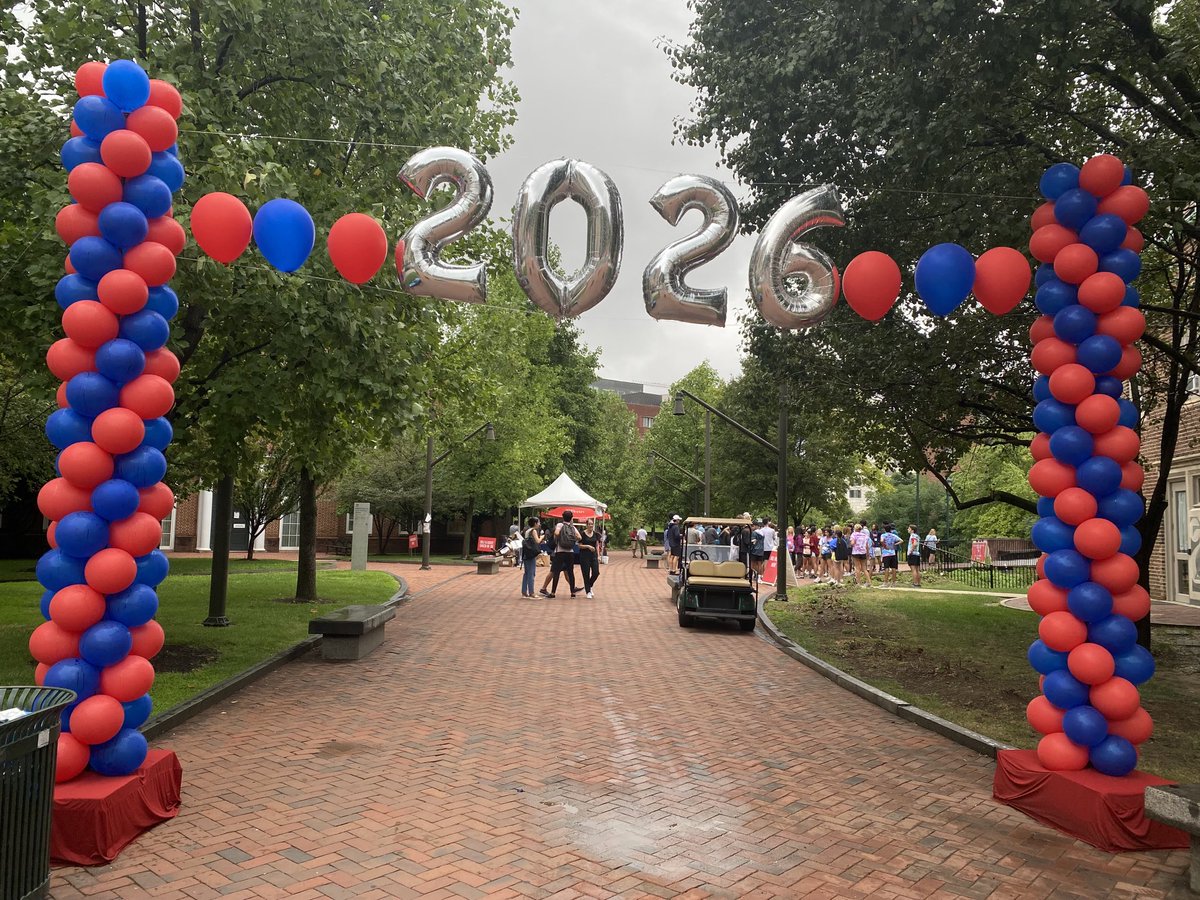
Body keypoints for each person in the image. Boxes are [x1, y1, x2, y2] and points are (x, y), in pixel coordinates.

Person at [543, 510, 580, 598]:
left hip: (560, 552)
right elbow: (579, 537)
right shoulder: (572, 527)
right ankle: (573, 592)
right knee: (571, 572)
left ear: (563, 517)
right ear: (571, 518)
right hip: (570, 552)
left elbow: (556, 533)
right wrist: (571, 538)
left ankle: (553, 593)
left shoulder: (560, 525)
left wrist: (561, 537)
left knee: (556, 572)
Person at [520, 517, 542, 598]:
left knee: (526, 573)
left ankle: (524, 591)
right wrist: (542, 537)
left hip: (526, 554)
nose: (539, 524)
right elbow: (538, 541)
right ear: (535, 523)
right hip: (531, 554)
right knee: (531, 573)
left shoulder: (527, 530)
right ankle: (531, 592)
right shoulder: (533, 531)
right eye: (538, 522)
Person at [578, 521, 601, 598]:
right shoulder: (582, 534)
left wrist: (598, 555)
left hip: (593, 556)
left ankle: (589, 585)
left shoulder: (596, 534)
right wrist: (588, 546)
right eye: (589, 524)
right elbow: (579, 545)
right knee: (586, 574)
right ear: (586, 525)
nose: (591, 525)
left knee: (596, 572)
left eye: (592, 524)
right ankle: (588, 591)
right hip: (584, 556)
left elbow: (597, 545)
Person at [879, 523, 901, 588]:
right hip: (892, 552)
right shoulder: (893, 535)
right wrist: (895, 544)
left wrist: (884, 546)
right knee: (893, 568)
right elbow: (901, 540)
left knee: (886, 568)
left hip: (886, 553)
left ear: (884, 529)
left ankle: (885, 582)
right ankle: (893, 582)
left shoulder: (883, 535)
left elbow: (881, 541)